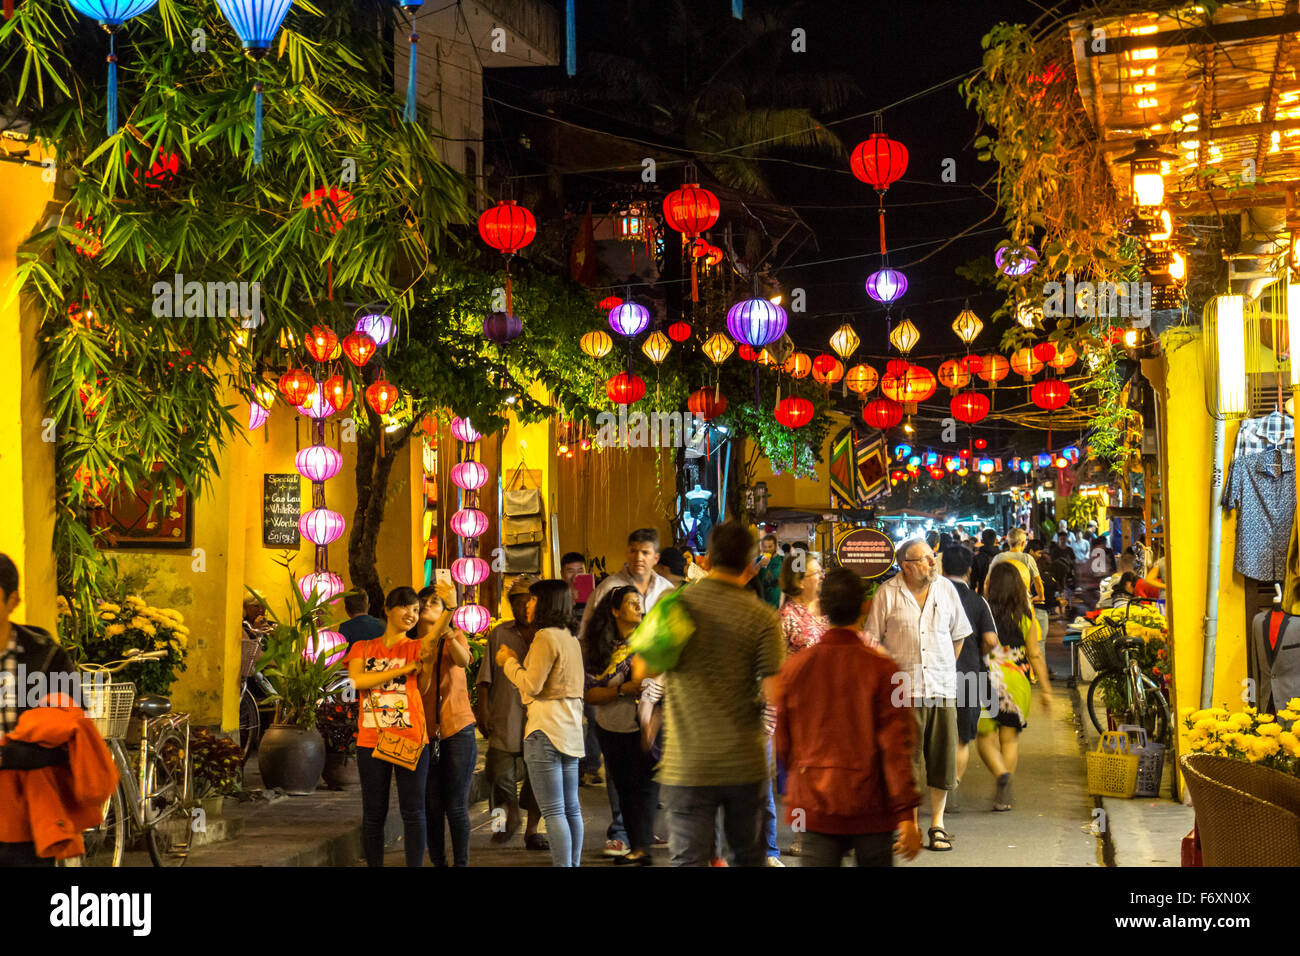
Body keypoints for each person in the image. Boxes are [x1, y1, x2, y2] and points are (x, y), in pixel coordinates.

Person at [632, 521, 785, 867]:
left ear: (705, 560)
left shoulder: (677, 604)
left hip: (688, 762)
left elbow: (643, 670)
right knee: (748, 857)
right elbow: (775, 692)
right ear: (751, 564)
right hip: (744, 763)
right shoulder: (762, 618)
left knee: (689, 859)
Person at [775, 567, 922, 866]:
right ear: (865, 607)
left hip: (815, 803)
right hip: (872, 807)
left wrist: (799, 783)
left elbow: (784, 742)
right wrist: (906, 814)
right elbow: (897, 747)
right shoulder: (884, 670)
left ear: (825, 608)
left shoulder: (796, 668)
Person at [862, 538, 971, 852]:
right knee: (904, 763)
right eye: (925, 559)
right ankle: (907, 824)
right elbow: (872, 642)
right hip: (902, 692)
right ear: (905, 566)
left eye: (932, 557)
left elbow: (958, 636)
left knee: (941, 759)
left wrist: (942, 665)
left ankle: (937, 824)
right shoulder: (887, 594)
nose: (932, 562)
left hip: (940, 688)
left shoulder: (947, 590)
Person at [0, 555, 81, 866]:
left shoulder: (46, 658)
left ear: (13, 600)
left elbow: (70, 729)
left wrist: (18, 754)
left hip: (24, 810)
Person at [499, 579, 586, 867]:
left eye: (533, 599)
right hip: (571, 730)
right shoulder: (570, 638)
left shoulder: (545, 638)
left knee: (554, 811)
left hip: (544, 730)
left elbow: (530, 685)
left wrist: (509, 661)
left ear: (546, 603)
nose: (528, 604)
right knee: (571, 808)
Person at [345, 586, 430, 867]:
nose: (412, 614)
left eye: (417, 610)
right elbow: (357, 681)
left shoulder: (418, 647)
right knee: (373, 813)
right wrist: (403, 670)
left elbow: (426, 685)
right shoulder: (363, 647)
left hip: (409, 736)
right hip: (371, 738)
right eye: (406, 607)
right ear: (388, 609)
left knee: (414, 811)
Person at [583, 586, 657, 865]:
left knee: (645, 787)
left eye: (639, 602)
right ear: (615, 611)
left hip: (644, 726)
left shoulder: (649, 642)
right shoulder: (600, 648)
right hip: (610, 727)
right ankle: (637, 846)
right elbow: (589, 692)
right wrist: (624, 690)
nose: (638, 607)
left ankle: (641, 847)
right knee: (624, 788)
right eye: (630, 602)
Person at [474, 575, 545, 850]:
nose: (522, 607)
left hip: (539, 719)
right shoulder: (500, 633)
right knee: (498, 773)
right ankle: (505, 820)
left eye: (528, 601)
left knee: (538, 776)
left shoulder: (548, 635)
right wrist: (483, 711)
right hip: (505, 714)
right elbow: (485, 678)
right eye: (516, 602)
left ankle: (532, 830)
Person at [978, 563, 1053, 811]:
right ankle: (1003, 799)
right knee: (1009, 741)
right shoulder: (1026, 614)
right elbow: (1035, 654)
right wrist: (1047, 691)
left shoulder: (983, 609)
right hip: (1018, 680)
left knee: (984, 739)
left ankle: (1001, 774)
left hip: (987, 678)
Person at [414, 584, 476, 867]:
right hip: (423, 733)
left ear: (445, 612)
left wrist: (449, 636)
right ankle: (439, 862)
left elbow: (464, 662)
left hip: (457, 728)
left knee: (456, 806)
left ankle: (460, 863)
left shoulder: (455, 637)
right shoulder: (411, 644)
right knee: (431, 806)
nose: (427, 605)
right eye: (423, 601)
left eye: (434, 602)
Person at [941, 545, 999, 813]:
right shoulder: (977, 602)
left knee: (935, 736)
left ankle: (935, 790)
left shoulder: (932, 596)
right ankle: (952, 786)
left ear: (942, 568)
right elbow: (990, 639)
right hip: (968, 675)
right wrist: (978, 653)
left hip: (934, 676)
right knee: (962, 738)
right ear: (968, 570)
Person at [990, 528, 1048, 652]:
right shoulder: (1027, 558)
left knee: (1003, 642)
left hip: (1001, 606)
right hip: (1023, 605)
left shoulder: (998, 558)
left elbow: (987, 583)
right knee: (1030, 643)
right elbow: (1038, 582)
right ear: (1023, 543)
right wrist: (1040, 596)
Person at [778, 552, 827, 655]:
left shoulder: (827, 606)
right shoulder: (786, 616)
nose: (822, 576)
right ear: (800, 582)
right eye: (816, 573)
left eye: (821, 571)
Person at [756, 533, 784, 608]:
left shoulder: (782, 560)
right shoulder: (757, 561)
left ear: (775, 547)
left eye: (770, 547)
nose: (767, 549)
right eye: (765, 547)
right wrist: (759, 565)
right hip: (761, 604)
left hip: (778, 605)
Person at [971, 529, 1000, 595]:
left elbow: (973, 581)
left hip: (982, 593)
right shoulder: (1001, 556)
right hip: (999, 593)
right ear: (995, 540)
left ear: (982, 540)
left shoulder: (977, 558)